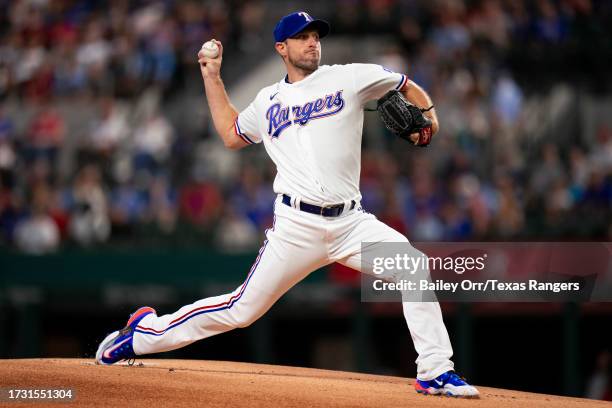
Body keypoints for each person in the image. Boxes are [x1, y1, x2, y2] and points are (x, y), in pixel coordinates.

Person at [95, 11, 479, 398]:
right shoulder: (267, 101)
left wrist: (429, 118)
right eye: (302, 37)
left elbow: (406, 84)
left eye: (315, 35)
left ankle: (434, 371)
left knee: (412, 266)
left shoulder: (349, 77)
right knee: (241, 310)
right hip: (296, 227)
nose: (312, 42)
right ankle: (143, 334)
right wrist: (212, 77)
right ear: (282, 47)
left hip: (351, 222)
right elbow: (231, 134)